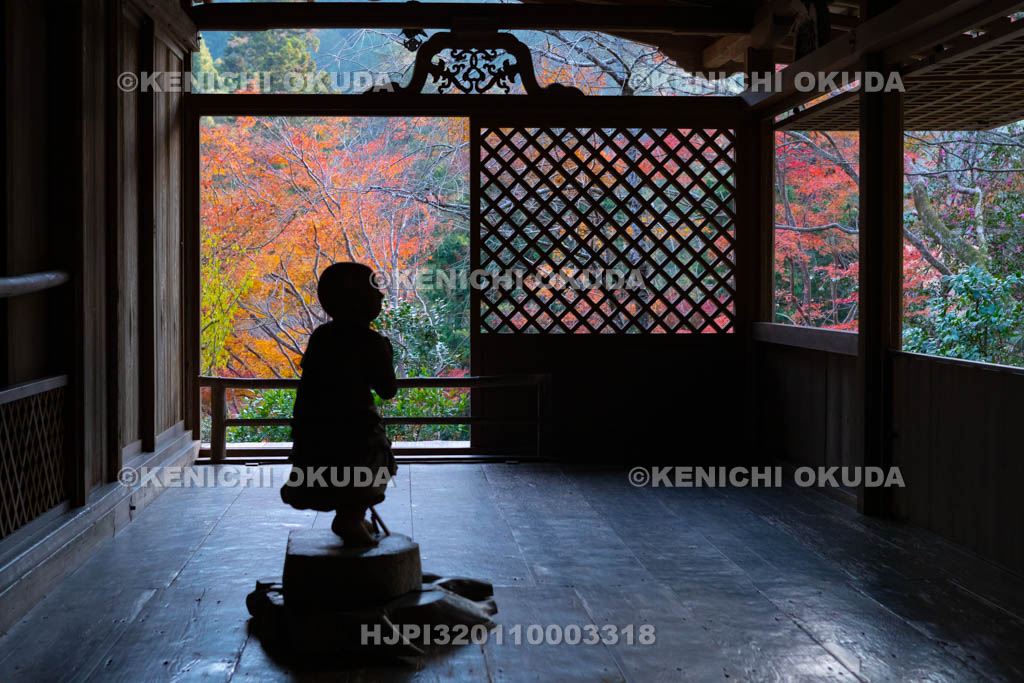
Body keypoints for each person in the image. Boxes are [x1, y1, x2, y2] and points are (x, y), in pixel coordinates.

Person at [280, 262, 398, 546]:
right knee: (369, 471)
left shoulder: (322, 336)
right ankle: (349, 518)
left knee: (333, 473)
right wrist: (386, 354)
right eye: (374, 290)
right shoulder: (371, 343)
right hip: (357, 428)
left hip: (317, 424)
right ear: (357, 300)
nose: (382, 295)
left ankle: (352, 517)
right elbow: (388, 390)